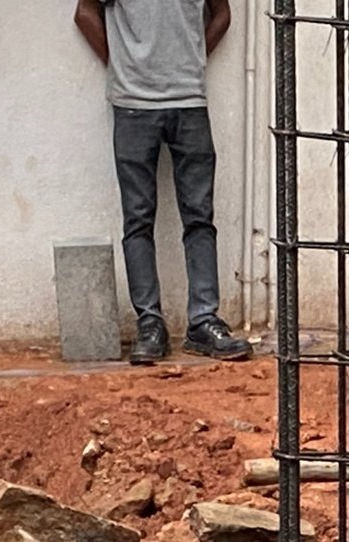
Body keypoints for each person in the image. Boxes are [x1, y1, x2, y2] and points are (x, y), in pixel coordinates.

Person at [74, 0, 252, 365]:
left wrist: (193, 60)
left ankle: (203, 322)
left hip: (190, 101)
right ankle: (149, 323)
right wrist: (121, 67)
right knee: (138, 218)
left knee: (199, 215)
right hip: (133, 105)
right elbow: (84, 13)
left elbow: (222, 14)